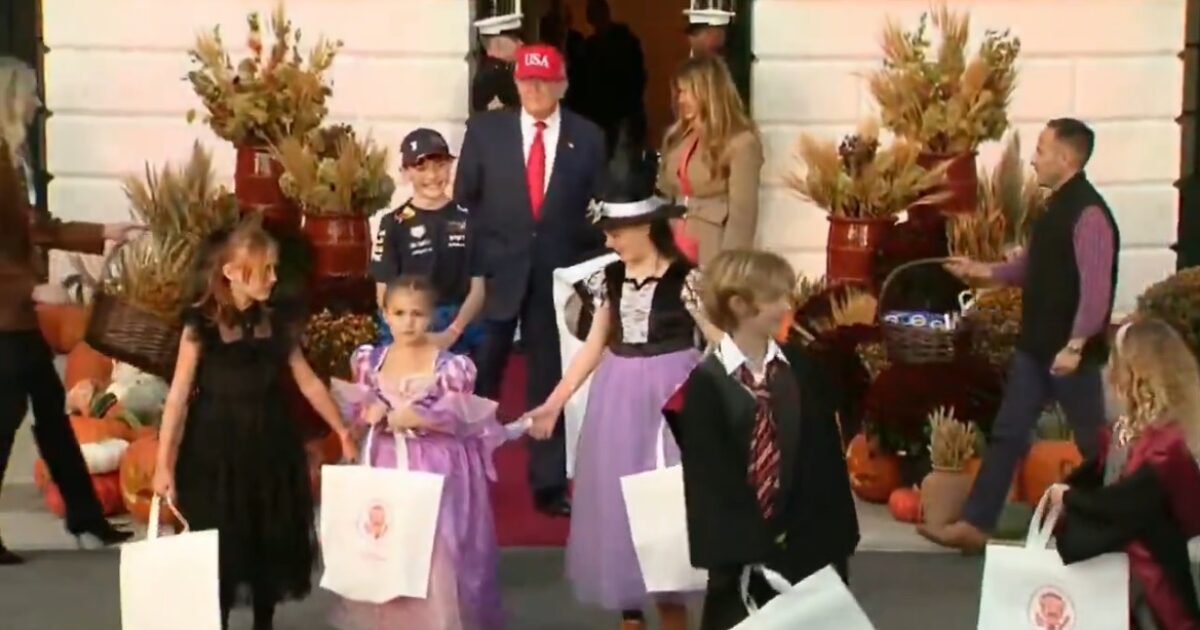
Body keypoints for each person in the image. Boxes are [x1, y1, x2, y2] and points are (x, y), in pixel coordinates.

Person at [524, 143, 720, 630]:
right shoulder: (608, 279)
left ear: (643, 227)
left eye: (615, 233)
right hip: (619, 396)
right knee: (619, 500)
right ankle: (631, 615)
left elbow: (719, 341)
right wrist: (553, 403)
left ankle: (673, 609)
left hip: (672, 395)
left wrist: (728, 393)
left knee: (668, 501)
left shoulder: (686, 280)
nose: (609, 242)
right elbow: (593, 345)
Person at [925, 117, 1120, 551]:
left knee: (1093, 444)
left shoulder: (1089, 215)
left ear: (1066, 158)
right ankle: (976, 525)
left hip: (1068, 355)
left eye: (1042, 150)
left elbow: (1096, 289)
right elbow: (1030, 267)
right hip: (1035, 349)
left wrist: (1076, 345)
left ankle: (1118, 522)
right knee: (1008, 433)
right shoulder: (1053, 209)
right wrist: (981, 271)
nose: (1033, 159)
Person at [152, 220, 357, 630]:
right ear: (232, 273)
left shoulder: (276, 322)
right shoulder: (201, 326)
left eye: (275, 269)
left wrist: (341, 429)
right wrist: (163, 463)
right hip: (215, 449)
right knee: (221, 541)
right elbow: (177, 397)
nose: (274, 277)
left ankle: (265, 622)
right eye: (266, 270)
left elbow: (307, 381)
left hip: (270, 443)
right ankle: (219, 621)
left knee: (270, 534)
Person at [666, 249, 859, 630]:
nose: (788, 306)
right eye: (776, 298)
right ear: (739, 306)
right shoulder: (706, 387)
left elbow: (824, 463)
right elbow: (711, 481)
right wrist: (751, 549)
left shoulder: (803, 369)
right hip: (742, 560)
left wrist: (827, 542)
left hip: (809, 552)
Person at [455, 43, 607, 517]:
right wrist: (476, 268)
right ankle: (464, 470)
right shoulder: (485, 131)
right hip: (498, 273)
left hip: (556, 276)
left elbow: (598, 211)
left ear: (562, 84)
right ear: (515, 83)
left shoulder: (589, 136)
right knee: (482, 376)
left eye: (544, 80)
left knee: (548, 378)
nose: (535, 89)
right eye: (527, 80)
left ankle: (547, 483)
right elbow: (466, 201)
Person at [0, 57, 141, 565]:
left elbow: (38, 227)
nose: (39, 103)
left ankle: (87, 519)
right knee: (8, 418)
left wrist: (102, 233)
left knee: (51, 418)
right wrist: (29, 291)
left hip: (15, 320)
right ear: (11, 97)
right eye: (32, 94)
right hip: (6, 318)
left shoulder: (15, 160)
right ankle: (87, 520)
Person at [333, 275, 509, 630]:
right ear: (385, 314)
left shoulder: (449, 367)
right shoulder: (371, 360)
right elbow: (358, 407)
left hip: (435, 467)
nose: (408, 322)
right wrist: (369, 414)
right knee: (391, 547)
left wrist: (422, 416)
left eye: (416, 314)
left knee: (436, 551)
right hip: (386, 462)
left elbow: (461, 415)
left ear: (430, 317)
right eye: (399, 313)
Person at [1048, 318, 1200, 629]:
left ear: (1135, 371)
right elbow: (1103, 475)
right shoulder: (1124, 429)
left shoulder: (1166, 442)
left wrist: (1071, 498)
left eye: (1114, 361)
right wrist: (1069, 491)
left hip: (1150, 571)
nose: (1108, 370)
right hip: (1115, 564)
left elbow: (1129, 502)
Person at [370, 128, 485, 355]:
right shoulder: (392, 223)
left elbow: (478, 289)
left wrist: (451, 333)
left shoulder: (468, 220)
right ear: (405, 173)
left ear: (451, 167)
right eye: (421, 168)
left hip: (457, 326)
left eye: (440, 165)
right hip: (406, 325)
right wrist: (408, 332)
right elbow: (383, 291)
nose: (432, 176)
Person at [657, 55, 763, 266]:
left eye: (688, 92)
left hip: (712, 244)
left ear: (709, 91)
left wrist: (729, 267)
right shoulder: (677, 137)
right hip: (673, 241)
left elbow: (743, 215)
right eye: (679, 92)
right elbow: (663, 192)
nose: (680, 100)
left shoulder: (741, 142)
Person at [575, 0, 647, 158]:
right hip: (607, 116)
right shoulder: (590, 47)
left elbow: (635, 78)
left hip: (619, 116)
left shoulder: (619, 43)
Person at [471, 10, 523, 113]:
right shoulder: (495, 74)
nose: (521, 43)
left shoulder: (498, 69)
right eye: (514, 39)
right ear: (498, 43)